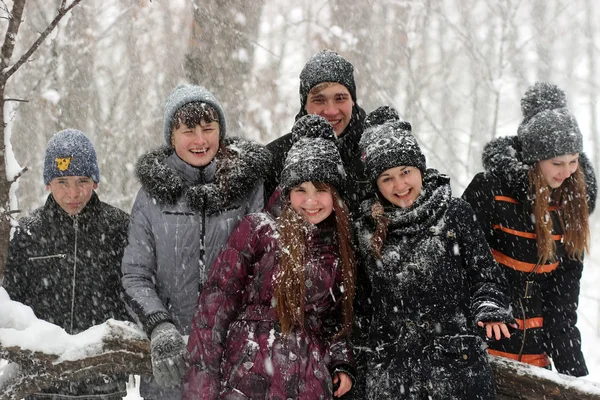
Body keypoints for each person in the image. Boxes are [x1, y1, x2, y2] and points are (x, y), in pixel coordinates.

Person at [183, 115, 356, 399]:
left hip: (307, 382)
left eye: (321, 190)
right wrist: (200, 390)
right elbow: (213, 311)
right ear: (287, 192)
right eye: (300, 190)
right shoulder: (257, 229)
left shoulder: (339, 246)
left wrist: (341, 362)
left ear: (335, 194)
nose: (310, 201)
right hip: (248, 375)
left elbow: (336, 320)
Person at [120, 84, 271, 399]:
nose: (200, 140)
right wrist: (159, 326)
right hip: (173, 363)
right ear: (171, 137)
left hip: (235, 361)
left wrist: (245, 331)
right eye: (189, 130)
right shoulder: (151, 197)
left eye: (208, 128)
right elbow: (136, 274)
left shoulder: (247, 188)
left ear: (221, 132)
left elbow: (263, 269)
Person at [356, 107, 514, 399]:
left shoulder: (454, 213)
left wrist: (490, 306)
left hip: (456, 371)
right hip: (392, 377)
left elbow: (487, 276)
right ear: (376, 185)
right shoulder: (365, 229)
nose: (400, 185)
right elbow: (362, 306)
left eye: (405, 172)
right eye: (387, 178)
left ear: (420, 169)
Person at [462, 82, 597, 377]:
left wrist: (577, 381)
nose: (566, 172)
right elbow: (462, 265)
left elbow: (561, 309)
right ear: (535, 160)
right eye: (557, 163)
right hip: (485, 350)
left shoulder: (570, 208)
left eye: (573, 161)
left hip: (536, 361)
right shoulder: (491, 192)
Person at [3, 129, 131, 399]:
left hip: (104, 383)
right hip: (42, 383)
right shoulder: (28, 233)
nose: (73, 192)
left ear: (95, 181)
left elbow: (133, 294)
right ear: (48, 183)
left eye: (82, 180)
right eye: (63, 181)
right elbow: (12, 307)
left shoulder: (120, 227)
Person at [265, 49, 369, 214]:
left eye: (340, 98)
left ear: (353, 101)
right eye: (319, 100)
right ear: (304, 105)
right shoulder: (276, 157)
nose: (331, 110)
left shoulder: (374, 153)